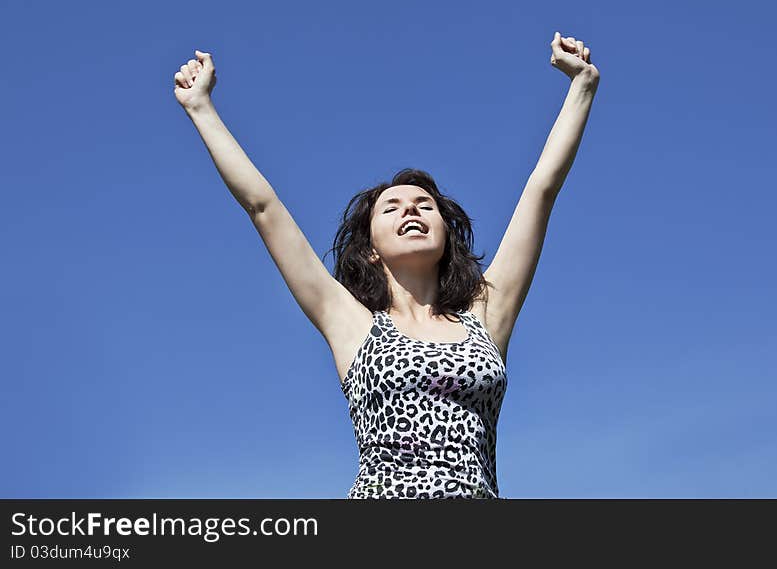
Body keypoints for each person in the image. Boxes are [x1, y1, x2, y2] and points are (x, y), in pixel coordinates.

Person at [172, 32, 600, 498]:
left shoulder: (486, 316)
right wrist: (201, 108)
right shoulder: (351, 323)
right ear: (371, 247)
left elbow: (541, 190)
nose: (411, 210)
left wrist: (582, 87)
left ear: (445, 235)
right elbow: (263, 207)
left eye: (424, 204)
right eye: (392, 208)